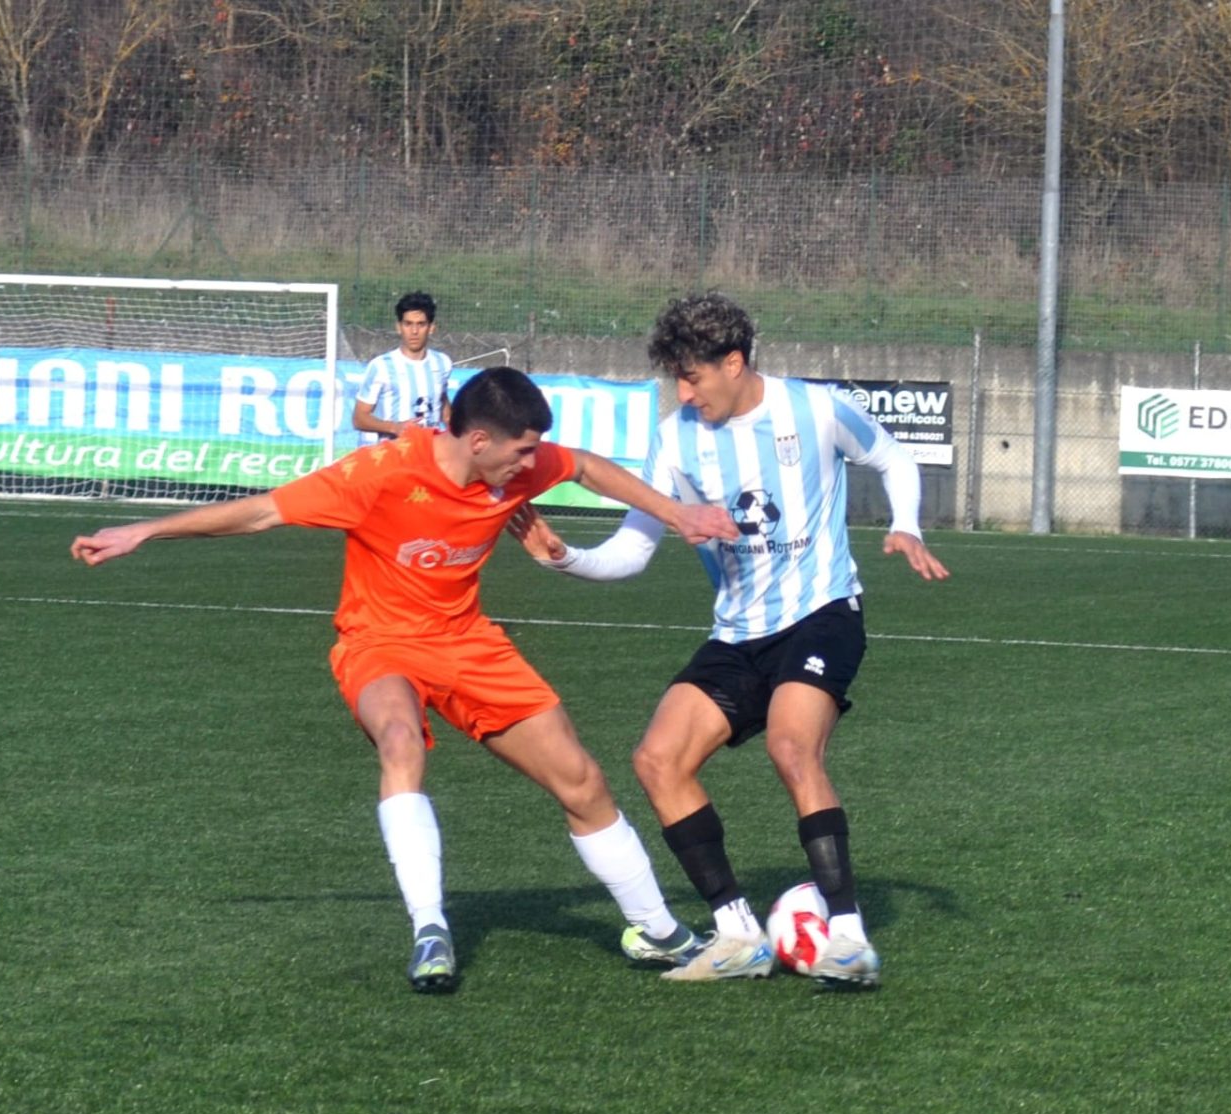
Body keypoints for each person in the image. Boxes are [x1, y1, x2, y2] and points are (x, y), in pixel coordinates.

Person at [73, 366, 740, 994]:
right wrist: (146, 529)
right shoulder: (380, 474)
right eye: (522, 449)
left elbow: (590, 468)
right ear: (478, 439)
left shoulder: (515, 468)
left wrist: (678, 515)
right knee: (400, 740)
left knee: (582, 780)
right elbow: (264, 512)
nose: (534, 463)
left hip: (468, 642)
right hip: (379, 642)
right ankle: (431, 928)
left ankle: (661, 932)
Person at [507, 293, 950, 990]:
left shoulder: (815, 409)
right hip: (737, 630)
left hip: (821, 611)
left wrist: (908, 523)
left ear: (734, 362)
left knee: (790, 744)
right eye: (676, 380)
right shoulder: (675, 437)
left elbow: (894, 458)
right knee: (657, 759)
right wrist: (566, 558)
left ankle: (849, 937)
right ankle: (739, 932)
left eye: (693, 377)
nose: (684, 393)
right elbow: (634, 549)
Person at [352, 291, 453, 438]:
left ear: (431, 328)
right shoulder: (381, 367)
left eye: (421, 324)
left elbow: (442, 404)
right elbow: (359, 419)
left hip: (429, 455)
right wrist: (395, 427)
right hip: (395, 455)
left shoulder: (442, 363)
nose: (414, 331)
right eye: (408, 324)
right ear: (398, 327)